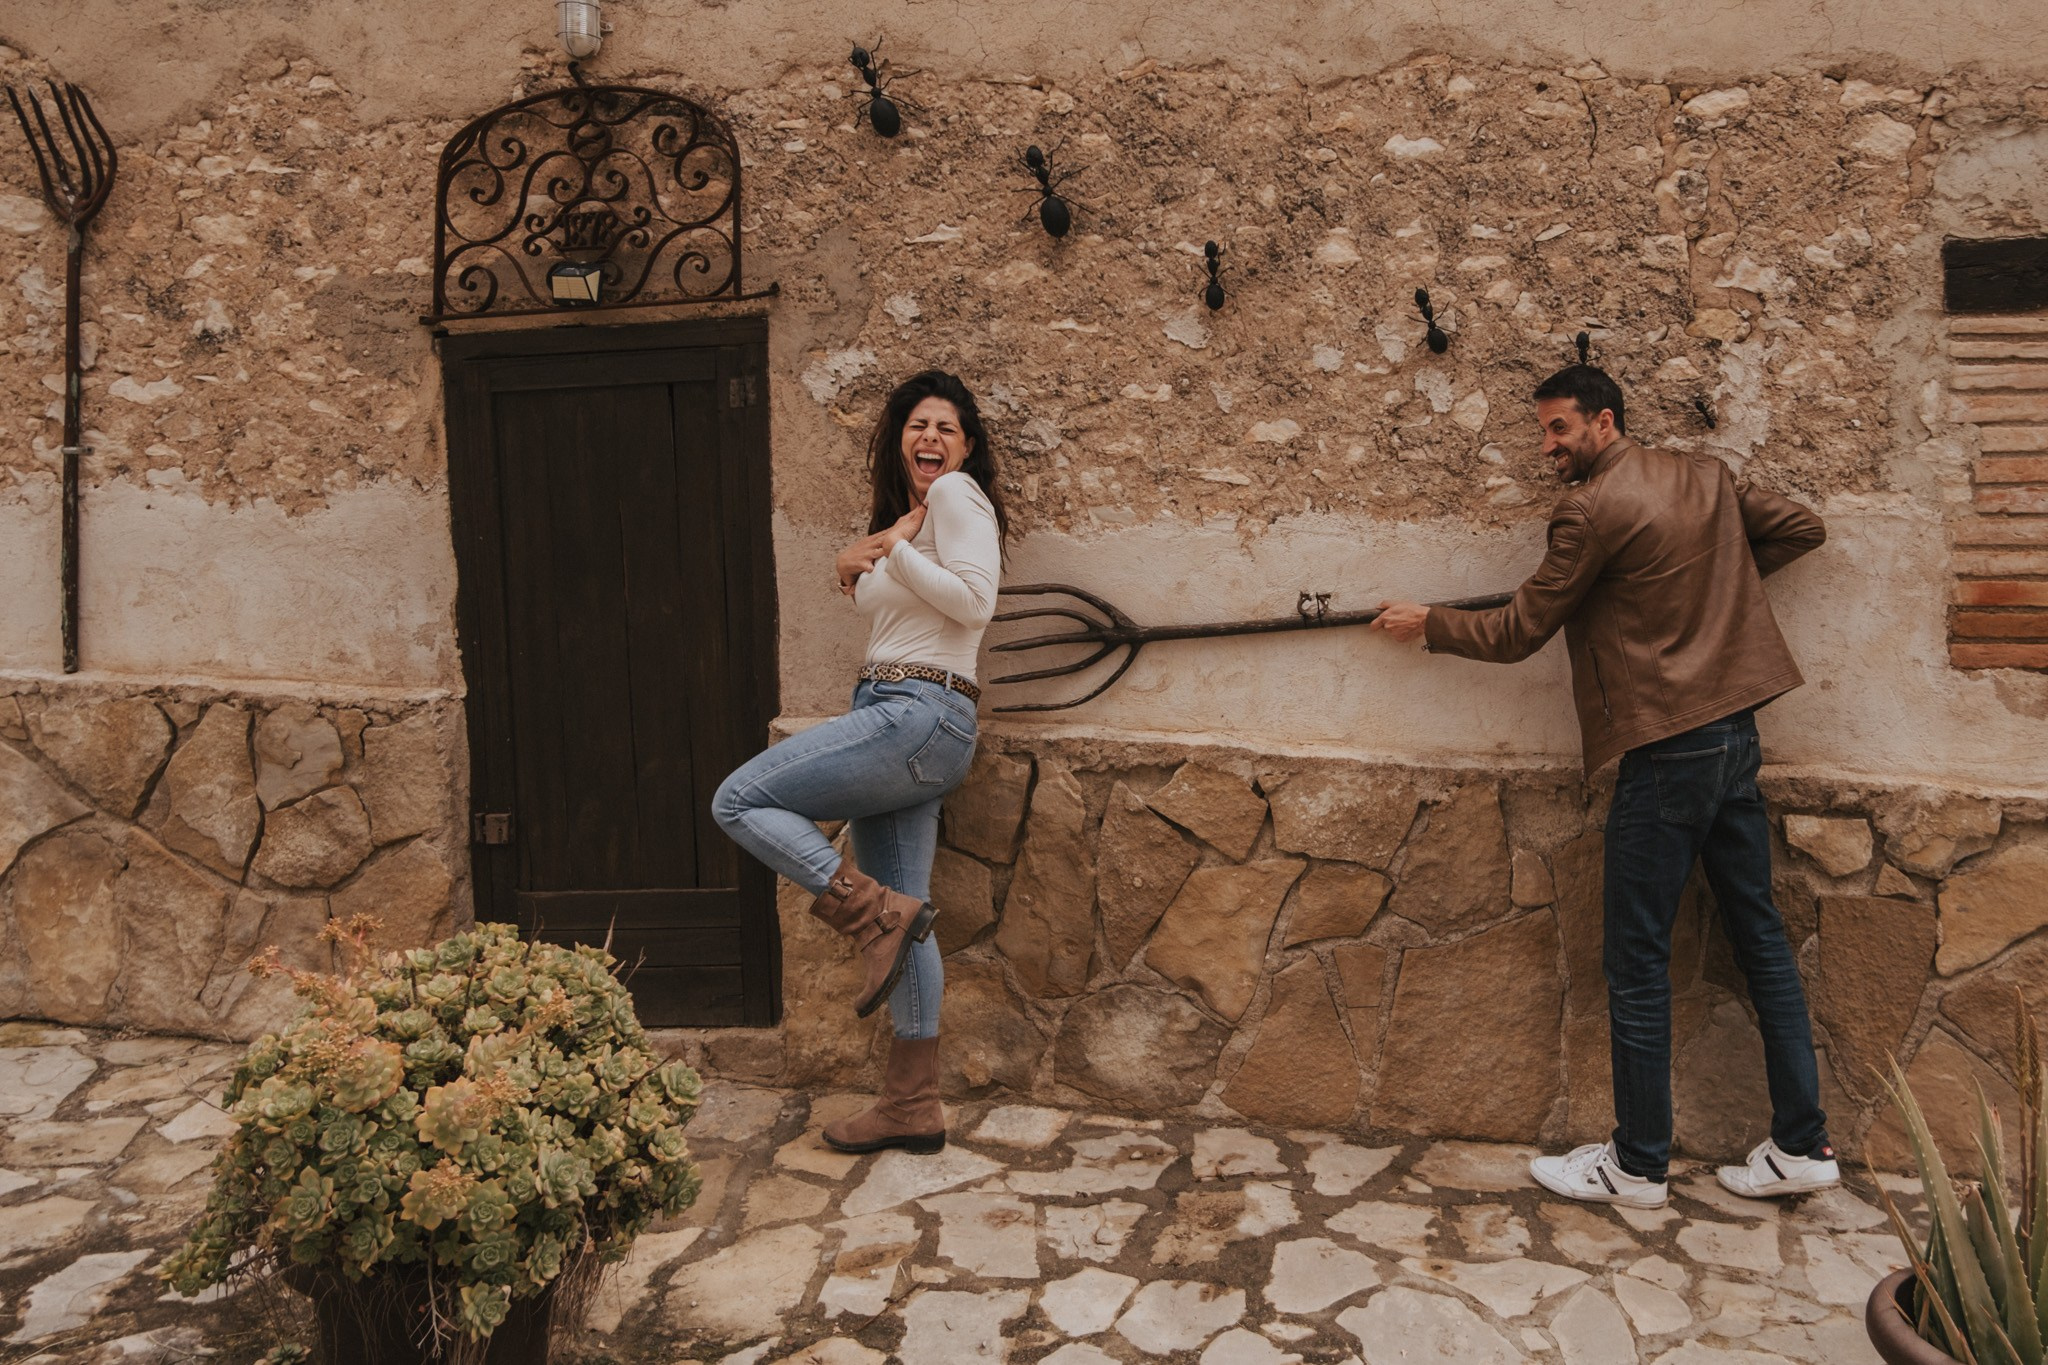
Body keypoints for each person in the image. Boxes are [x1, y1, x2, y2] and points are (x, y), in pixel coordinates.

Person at [1371, 364, 1837, 1209]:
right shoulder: (1706, 478)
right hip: (1735, 733)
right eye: (1544, 430)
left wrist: (1427, 623)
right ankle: (1803, 1145)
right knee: (1760, 938)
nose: (1548, 447)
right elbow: (1802, 527)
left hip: (1665, 750)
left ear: (1605, 421)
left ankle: (1638, 1163)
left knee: (1636, 957)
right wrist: (1712, 586)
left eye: (1559, 429)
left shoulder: (1589, 509)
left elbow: (1520, 629)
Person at [712, 370, 1005, 1156]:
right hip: (905, 718)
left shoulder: (954, 499)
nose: (930, 437)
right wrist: (870, 549)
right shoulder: (916, 517)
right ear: (898, 441)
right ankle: (912, 1104)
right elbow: (872, 587)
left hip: (918, 711)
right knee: (909, 910)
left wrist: (895, 552)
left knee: (738, 799)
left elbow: (975, 602)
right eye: (917, 425)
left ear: (967, 446)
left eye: (946, 426)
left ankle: (867, 909)